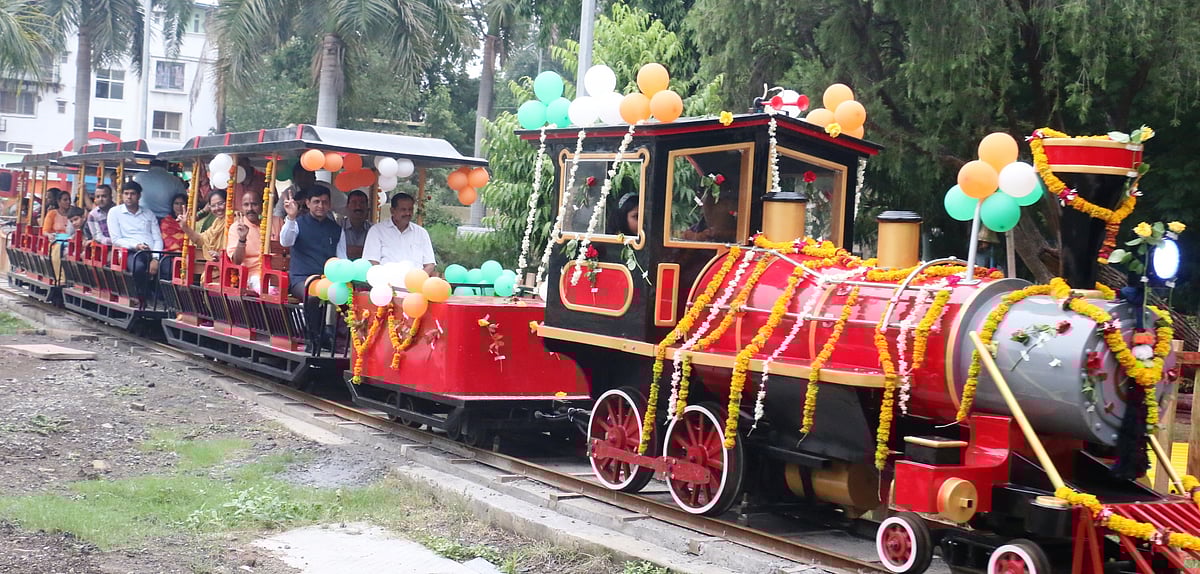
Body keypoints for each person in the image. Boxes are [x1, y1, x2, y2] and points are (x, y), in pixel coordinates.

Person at [280, 184, 341, 351]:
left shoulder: (336, 229)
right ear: (307, 203)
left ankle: (337, 337)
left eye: (324, 202)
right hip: (301, 278)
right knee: (313, 295)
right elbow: (285, 241)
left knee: (349, 296)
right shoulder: (297, 223)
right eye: (316, 202)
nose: (321, 206)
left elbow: (341, 257)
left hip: (327, 279)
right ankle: (313, 337)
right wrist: (290, 217)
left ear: (329, 204)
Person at [107, 181, 163, 302]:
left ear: (139, 196)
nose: (129, 197)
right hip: (129, 251)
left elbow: (157, 238)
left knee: (167, 267)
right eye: (126, 193)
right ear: (122, 195)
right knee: (138, 267)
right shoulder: (114, 212)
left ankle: (163, 300)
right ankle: (141, 297)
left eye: (132, 194)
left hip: (150, 251)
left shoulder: (148, 213)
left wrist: (156, 258)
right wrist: (135, 246)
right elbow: (116, 239)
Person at [362, 193, 436, 274]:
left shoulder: (421, 233)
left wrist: (418, 278)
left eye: (410, 209)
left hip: (416, 281)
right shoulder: (377, 231)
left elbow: (430, 264)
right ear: (392, 211)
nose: (408, 213)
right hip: (386, 280)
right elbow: (372, 262)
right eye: (403, 210)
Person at [226, 191, 264, 293]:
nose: (250, 209)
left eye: (254, 204)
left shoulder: (273, 222)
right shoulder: (236, 227)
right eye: (246, 205)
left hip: (277, 274)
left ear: (261, 206)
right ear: (241, 207)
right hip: (252, 276)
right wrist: (242, 239)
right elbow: (236, 261)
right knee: (266, 288)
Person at [336, 190, 371, 260]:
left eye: (362, 203)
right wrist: (365, 251)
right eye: (354, 202)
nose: (358, 206)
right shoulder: (337, 226)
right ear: (347, 207)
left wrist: (347, 249)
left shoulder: (373, 229)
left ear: (367, 208)